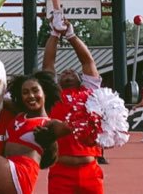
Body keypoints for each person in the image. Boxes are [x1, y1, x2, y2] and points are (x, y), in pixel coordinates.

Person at [43, 21, 107, 192]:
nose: (68, 72)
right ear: (58, 81)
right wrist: (55, 34)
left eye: (73, 72)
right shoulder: (52, 96)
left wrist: (72, 36)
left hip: (90, 170)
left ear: (82, 79)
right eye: (64, 72)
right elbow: (48, 65)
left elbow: (88, 62)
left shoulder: (90, 92)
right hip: (60, 171)